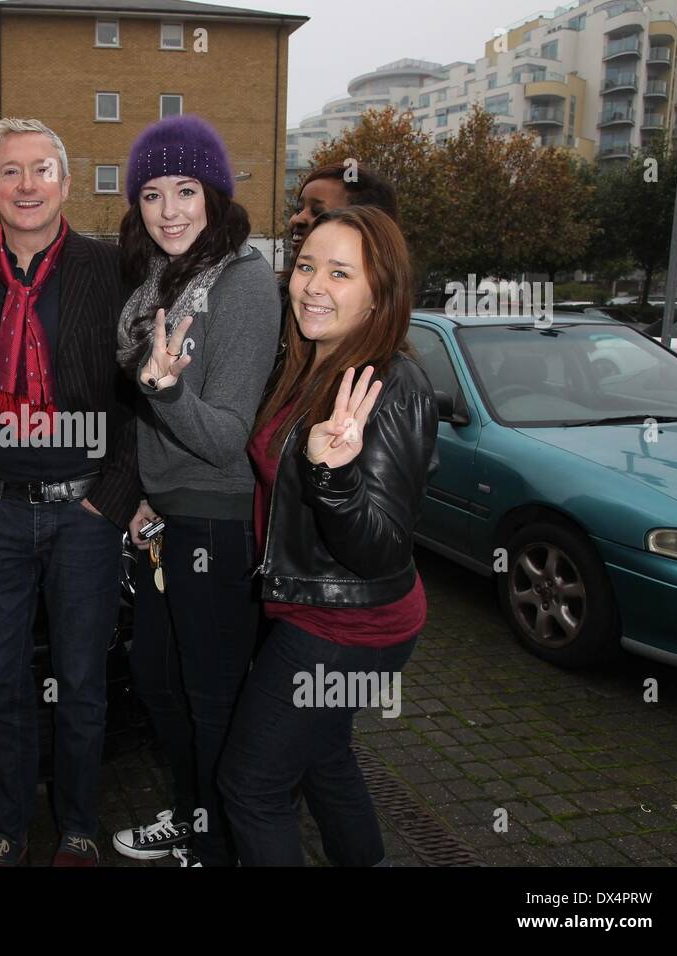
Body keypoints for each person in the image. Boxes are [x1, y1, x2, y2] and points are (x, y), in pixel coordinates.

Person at [0, 118, 140, 866]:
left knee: (83, 680)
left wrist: (110, 500)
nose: (27, 185)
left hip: (85, 510)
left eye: (41, 169)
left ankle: (80, 826)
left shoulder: (112, 267)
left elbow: (140, 394)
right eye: (11, 173)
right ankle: (4, 827)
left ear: (65, 180)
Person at [219, 205, 438, 866]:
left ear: (380, 294)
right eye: (308, 265)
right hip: (319, 612)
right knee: (323, 756)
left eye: (341, 273)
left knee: (250, 786)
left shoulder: (385, 386)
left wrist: (332, 475)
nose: (313, 284)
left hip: (347, 629)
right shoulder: (315, 363)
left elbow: (380, 546)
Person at [109, 115, 279, 868]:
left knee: (213, 698)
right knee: (157, 681)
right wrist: (148, 489)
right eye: (151, 192)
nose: (169, 209)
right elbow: (154, 412)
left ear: (214, 193)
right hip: (168, 517)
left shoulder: (242, 284)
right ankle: (191, 814)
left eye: (185, 189)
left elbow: (226, 434)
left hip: (216, 521)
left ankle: (218, 845)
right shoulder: (157, 285)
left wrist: (168, 393)